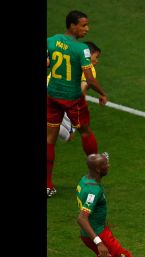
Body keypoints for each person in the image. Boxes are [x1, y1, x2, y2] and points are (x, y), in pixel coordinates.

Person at [47, 10, 109, 198]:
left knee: (49, 139)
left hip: (52, 96)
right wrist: (102, 94)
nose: (86, 29)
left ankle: (47, 185)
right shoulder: (81, 49)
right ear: (72, 25)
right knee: (86, 132)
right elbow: (89, 79)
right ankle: (96, 173)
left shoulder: (50, 41)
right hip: (73, 98)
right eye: (83, 25)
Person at [48, 41, 102, 143]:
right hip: (61, 98)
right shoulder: (89, 68)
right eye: (96, 56)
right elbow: (82, 89)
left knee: (66, 135)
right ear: (89, 54)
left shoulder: (68, 58)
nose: (97, 61)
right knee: (66, 135)